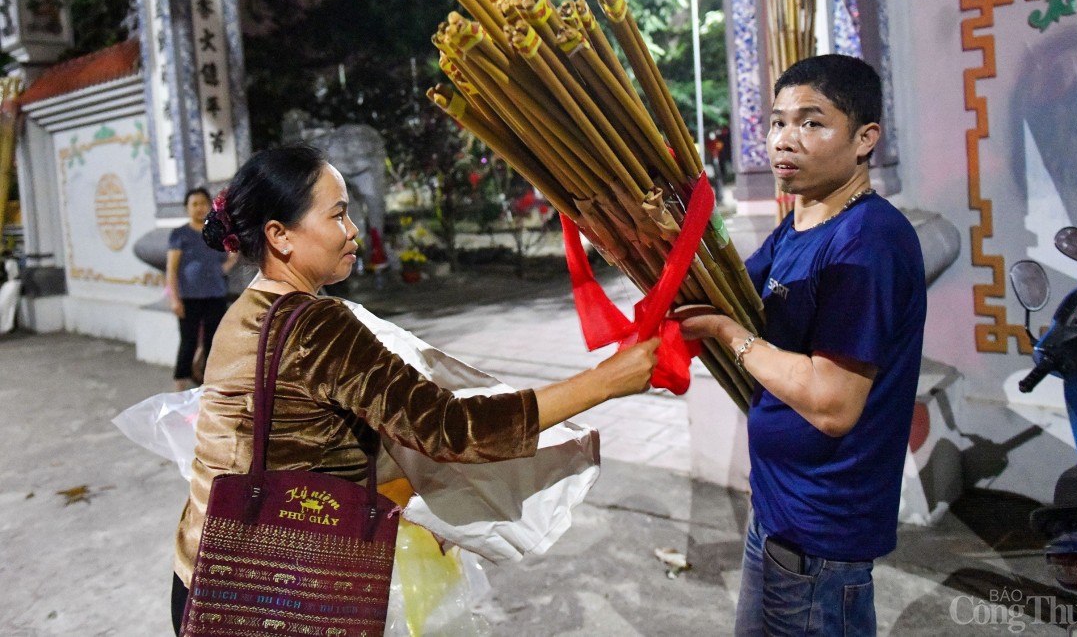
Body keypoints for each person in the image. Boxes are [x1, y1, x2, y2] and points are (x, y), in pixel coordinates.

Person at [170, 144, 659, 632]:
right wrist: (606, 381)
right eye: (338, 215)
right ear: (280, 236)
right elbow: (452, 429)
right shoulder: (315, 326)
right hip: (277, 597)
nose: (353, 230)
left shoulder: (248, 311)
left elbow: (296, 444)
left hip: (208, 575)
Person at [678, 54, 926, 636]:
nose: (785, 139)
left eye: (812, 123)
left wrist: (727, 334)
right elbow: (735, 287)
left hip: (821, 538)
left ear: (865, 139)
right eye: (778, 121)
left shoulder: (868, 244)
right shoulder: (803, 221)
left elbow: (832, 404)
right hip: (779, 516)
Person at [166, 187, 237, 390]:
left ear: (209, 206)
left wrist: (224, 267)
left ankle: (209, 385)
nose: (199, 208)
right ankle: (179, 386)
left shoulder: (216, 233)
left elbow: (229, 256)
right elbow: (171, 269)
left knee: (213, 341)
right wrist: (174, 298)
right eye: (194, 204)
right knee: (188, 342)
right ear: (187, 208)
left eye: (202, 203)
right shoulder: (180, 234)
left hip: (216, 295)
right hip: (189, 297)